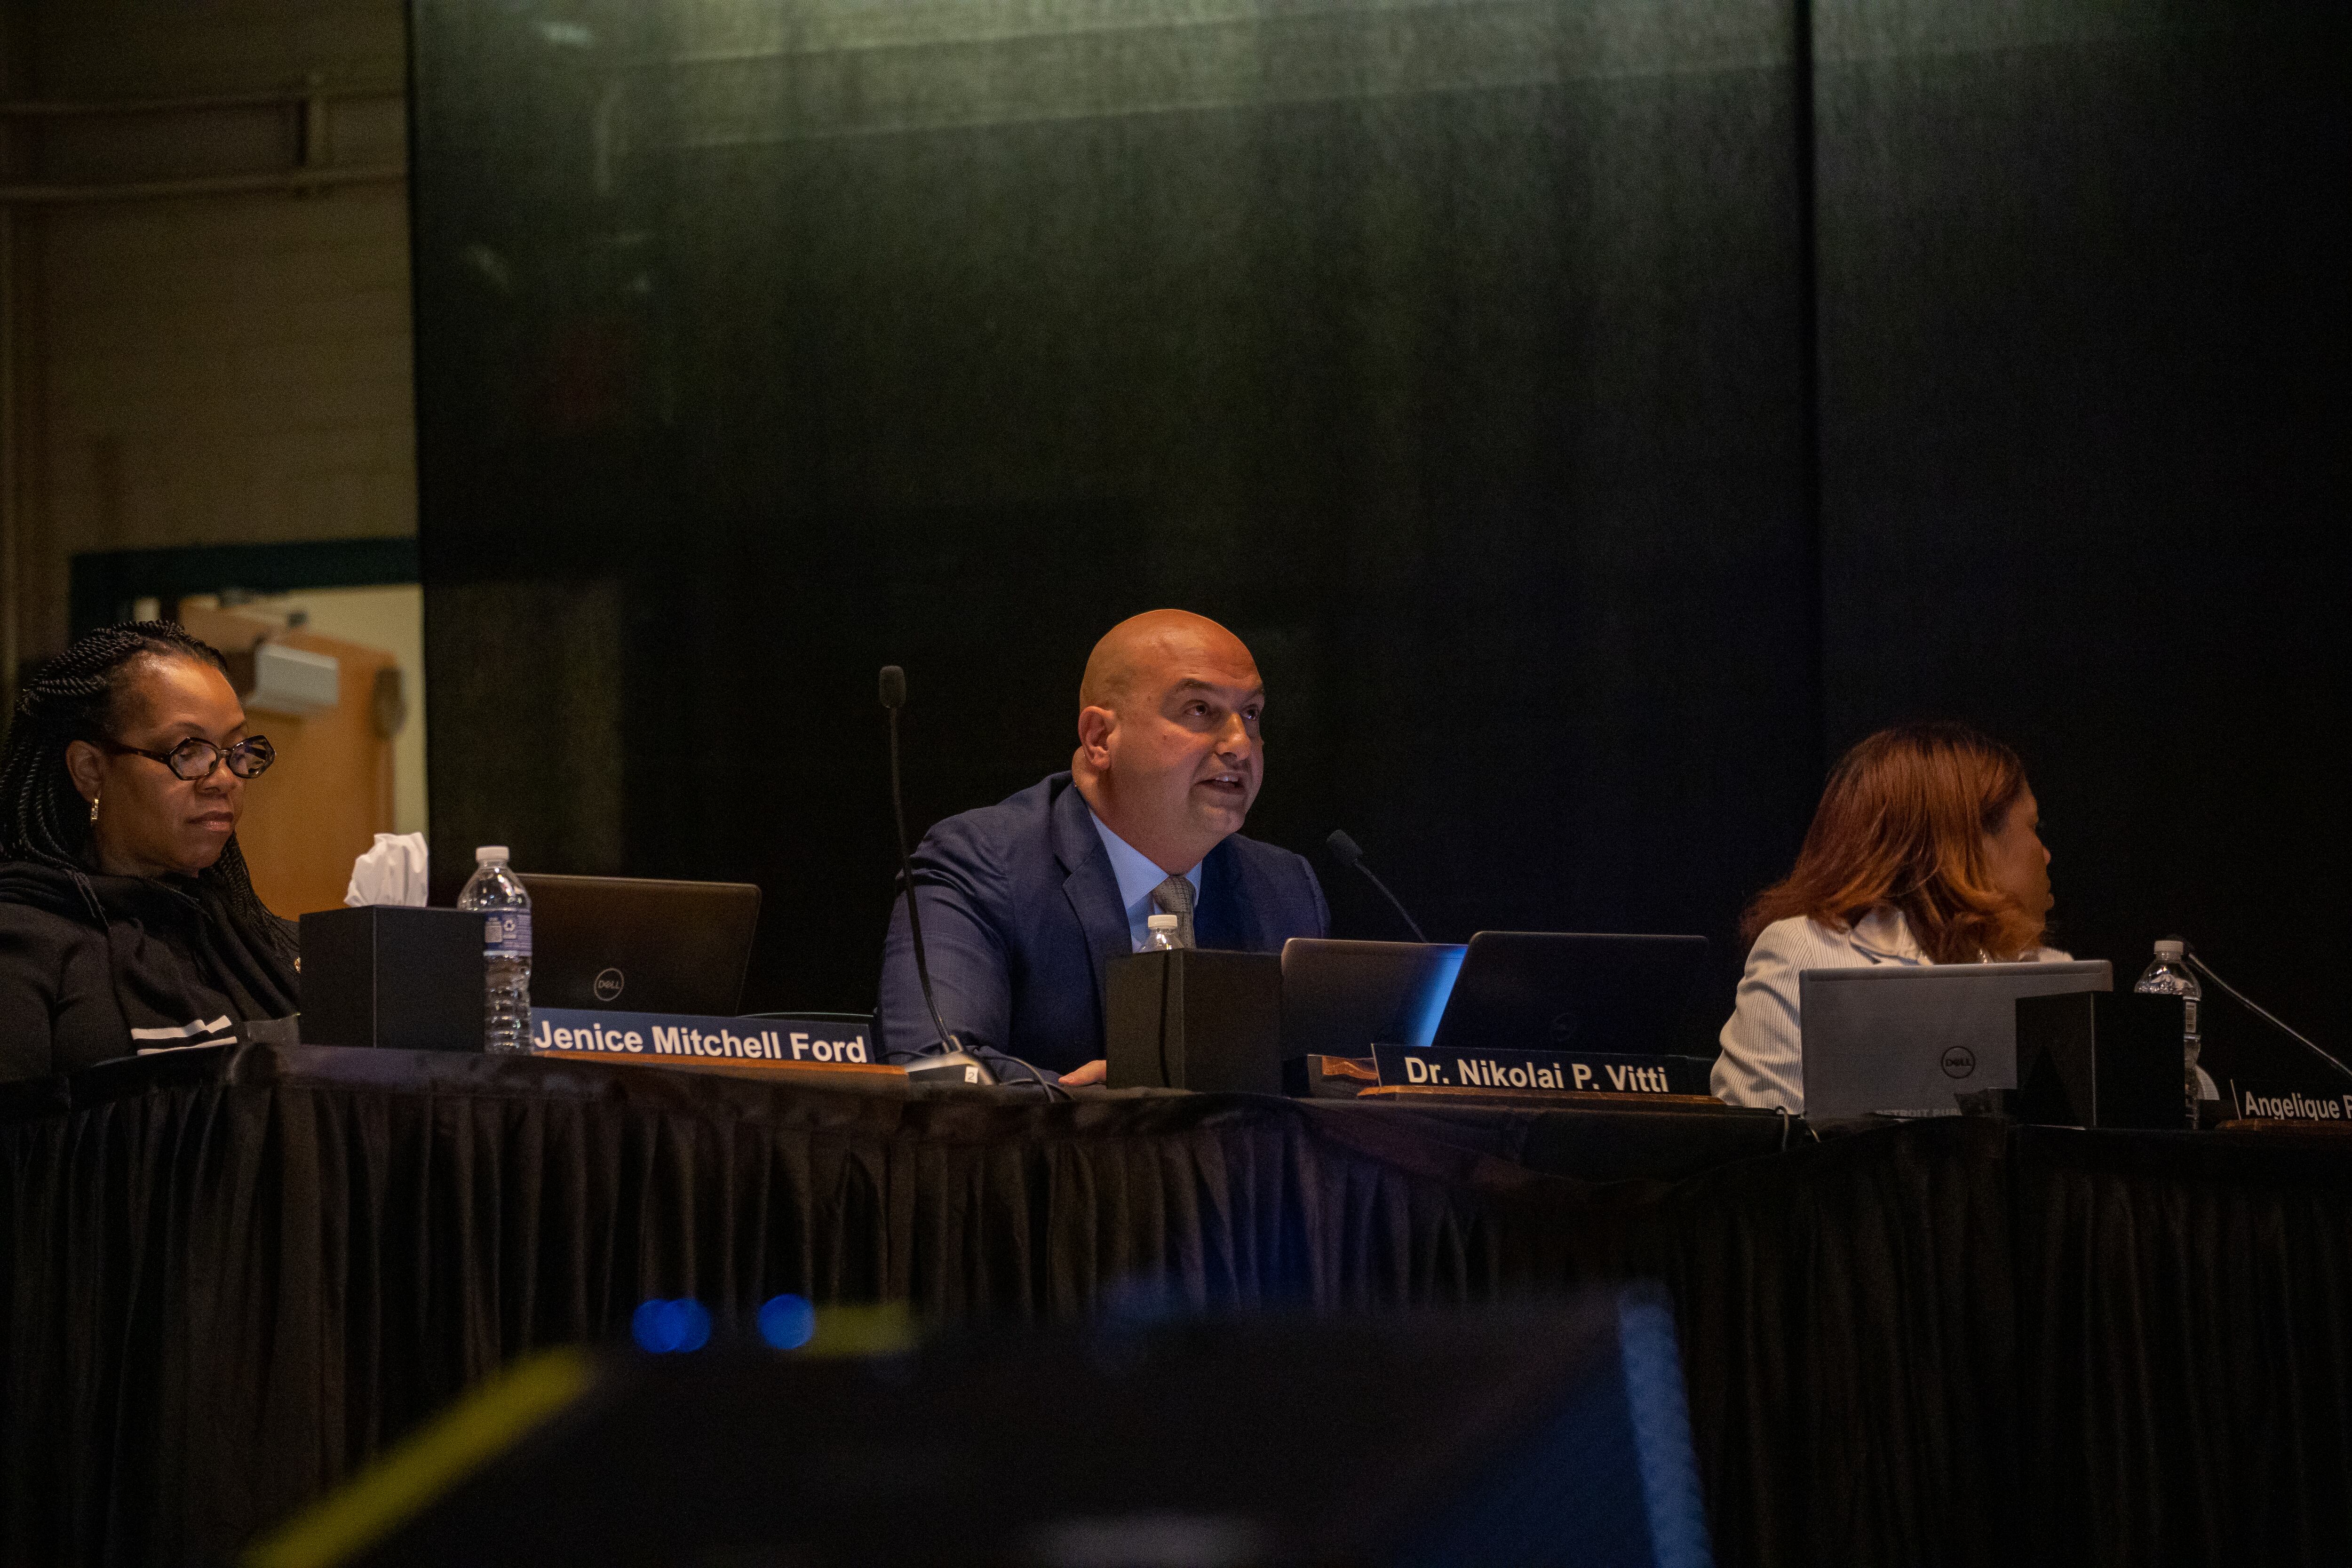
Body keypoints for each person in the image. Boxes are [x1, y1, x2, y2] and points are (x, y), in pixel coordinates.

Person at [878, 609, 1328, 1083]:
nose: (1239, 743)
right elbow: (933, 1066)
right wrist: (1096, 1112)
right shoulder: (982, 863)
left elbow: (1331, 1088)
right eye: (1199, 709)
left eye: (1251, 714)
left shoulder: (1284, 889)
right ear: (1099, 738)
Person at [1712, 722, 2067, 1113]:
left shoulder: (2051, 972)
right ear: (1969, 841)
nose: (2047, 854)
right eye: (2036, 827)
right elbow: (1760, 1156)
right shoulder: (1803, 952)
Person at [0, 622, 297, 1083]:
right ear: (90, 770)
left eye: (234, 749)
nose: (223, 780)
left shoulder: (266, 945)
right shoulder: (24, 946)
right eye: (188, 750)